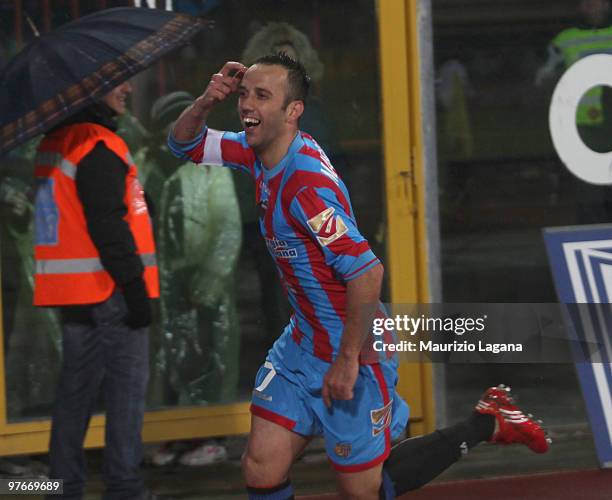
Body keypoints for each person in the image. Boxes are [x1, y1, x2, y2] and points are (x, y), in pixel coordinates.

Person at [169, 54, 550, 499]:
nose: (247, 104)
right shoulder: (258, 150)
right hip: (301, 346)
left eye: (263, 96)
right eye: (244, 94)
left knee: (365, 489)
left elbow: (368, 271)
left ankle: (487, 420)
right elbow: (184, 145)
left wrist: (347, 360)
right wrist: (204, 101)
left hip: (354, 350)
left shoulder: (305, 186)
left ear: (293, 112)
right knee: (260, 469)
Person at [33, 81, 159, 500]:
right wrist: (135, 290)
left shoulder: (57, 142)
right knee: (125, 397)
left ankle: (61, 488)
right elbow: (109, 226)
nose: (126, 88)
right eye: (114, 83)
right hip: (112, 292)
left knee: (74, 396)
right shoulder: (98, 145)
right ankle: (124, 489)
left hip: (74, 295)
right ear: (88, 91)